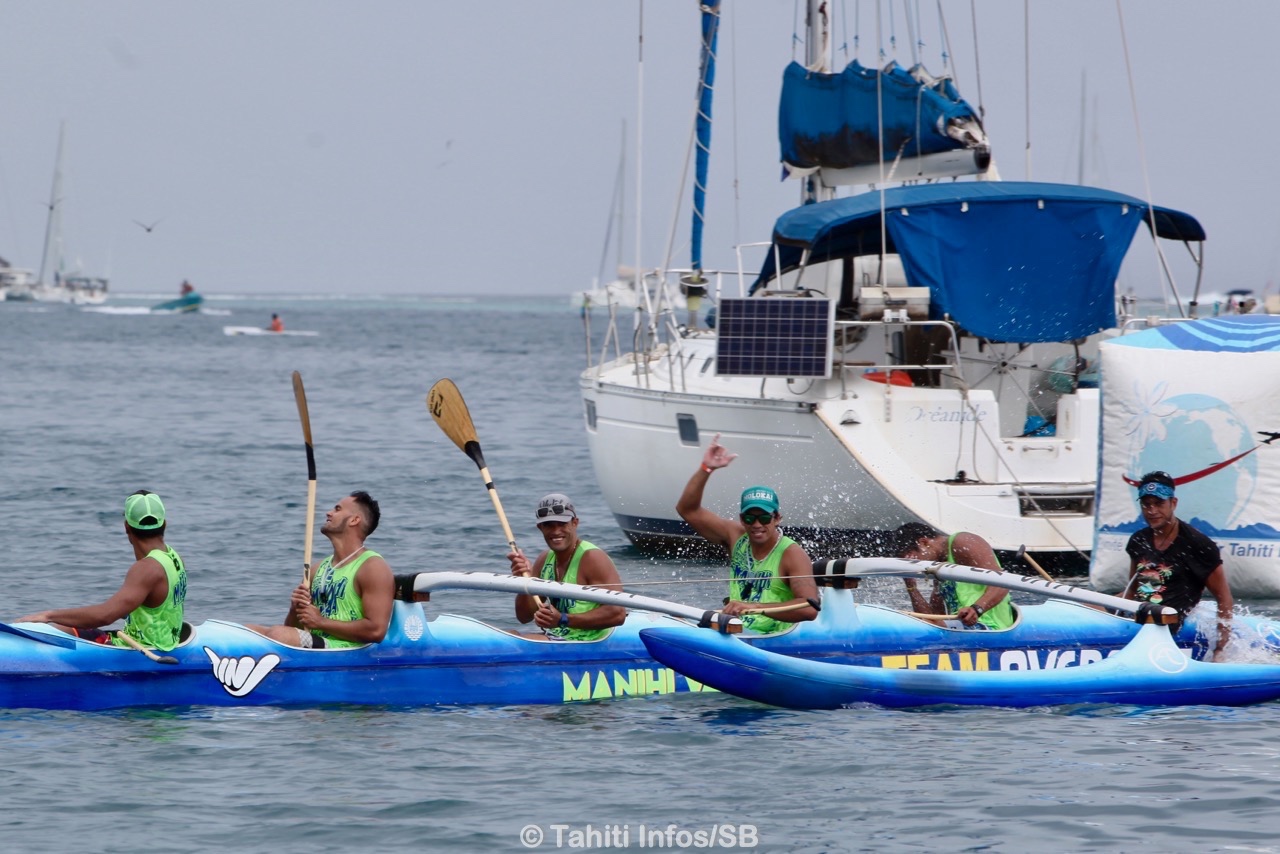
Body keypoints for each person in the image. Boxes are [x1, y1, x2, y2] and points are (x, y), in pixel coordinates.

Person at [675, 434, 819, 633]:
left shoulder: (792, 554)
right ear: (742, 519)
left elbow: (810, 608)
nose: (757, 524)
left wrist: (756, 608)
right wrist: (706, 469)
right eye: (750, 518)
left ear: (777, 518)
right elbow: (688, 510)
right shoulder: (735, 536)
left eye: (765, 518)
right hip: (739, 632)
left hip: (775, 638)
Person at [17, 490, 188, 650]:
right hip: (165, 642)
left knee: (61, 629)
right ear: (164, 523)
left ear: (126, 526)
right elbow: (156, 606)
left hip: (139, 649)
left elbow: (105, 616)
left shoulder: (146, 569)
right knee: (72, 625)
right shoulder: (173, 557)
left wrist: (48, 616)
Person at [248, 491, 395, 648]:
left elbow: (376, 631)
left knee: (278, 634)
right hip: (316, 642)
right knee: (247, 631)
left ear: (354, 520)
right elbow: (294, 629)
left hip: (345, 648)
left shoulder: (372, 567)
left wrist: (320, 622)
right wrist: (295, 609)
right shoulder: (316, 569)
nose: (329, 513)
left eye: (337, 509)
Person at [1123, 471, 1233, 660]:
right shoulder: (1138, 540)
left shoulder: (1198, 545)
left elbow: (1224, 599)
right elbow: (1131, 592)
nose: (1152, 511)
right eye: (1146, 504)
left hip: (1167, 625)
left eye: (1159, 504)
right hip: (1137, 618)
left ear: (1173, 503)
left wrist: (1220, 649)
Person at [508, 493, 626, 639]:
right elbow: (524, 617)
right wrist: (524, 580)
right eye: (549, 525)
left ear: (575, 523)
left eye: (562, 524)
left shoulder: (593, 558)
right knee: (508, 635)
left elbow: (618, 613)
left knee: (509, 641)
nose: (556, 531)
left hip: (589, 641)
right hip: (556, 637)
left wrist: (563, 620)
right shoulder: (544, 560)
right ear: (540, 528)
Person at [891, 522, 1016, 630]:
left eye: (913, 558)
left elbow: (1002, 583)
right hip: (963, 627)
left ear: (924, 542)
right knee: (917, 621)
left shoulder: (962, 541)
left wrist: (976, 609)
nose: (915, 565)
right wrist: (912, 587)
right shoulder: (938, 566)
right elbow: (932, 618)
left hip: (989, 625)